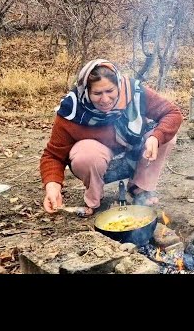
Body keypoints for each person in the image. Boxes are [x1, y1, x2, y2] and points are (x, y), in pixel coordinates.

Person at [40, 59, 183, 217]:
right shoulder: (72, 110)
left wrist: (156, 137)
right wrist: (52, 187)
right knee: (86, 155)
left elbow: (172, 113)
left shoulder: (135, 92)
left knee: (165, 136)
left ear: (119, 86)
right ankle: (94, 198)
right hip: (98, 163)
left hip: (135, 153)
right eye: (97, 93)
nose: (105, 99)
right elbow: (53, 155)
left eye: (110, 91)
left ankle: (139, 188)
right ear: (86, 91)